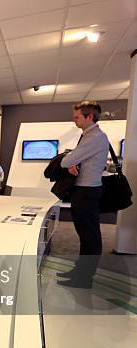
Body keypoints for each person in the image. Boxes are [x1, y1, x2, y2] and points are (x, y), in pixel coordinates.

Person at [57, 101, 110, 288]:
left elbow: (67, 160)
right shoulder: (89, 136)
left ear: (89, 117)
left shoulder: (95, 138)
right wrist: (73, 161)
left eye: (78, 117)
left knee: (89, 236)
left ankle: (84, 278)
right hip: (84, 190)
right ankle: (80, 271)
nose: (75, 120)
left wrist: (70, 159)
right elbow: (76, 159)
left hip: (87, 192)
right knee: (85, 235)